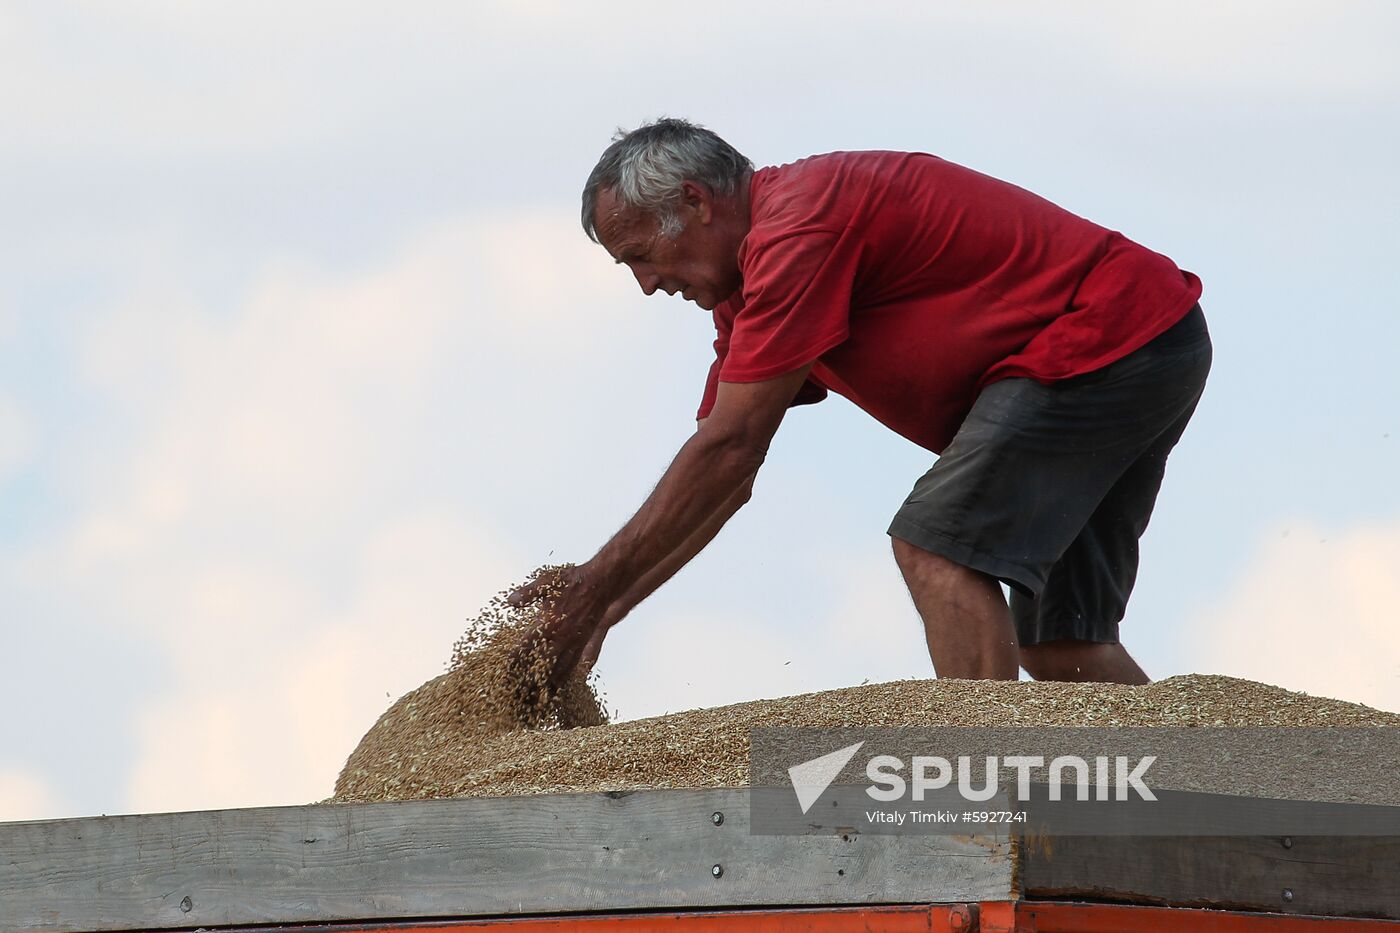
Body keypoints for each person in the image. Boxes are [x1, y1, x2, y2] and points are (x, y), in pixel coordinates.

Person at [511, 117, 1211, 689]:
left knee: (936, 548)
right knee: (1063, 646)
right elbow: (721, 478)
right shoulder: (744, 293)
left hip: (1106, 336)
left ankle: (985, 813)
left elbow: (728, 450)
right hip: (1147, 339)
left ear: (696, 202)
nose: (646, 285)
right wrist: (605, 610)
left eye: (640, 255)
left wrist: (586, 593)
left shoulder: (797, 230)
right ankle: (1202, 812)